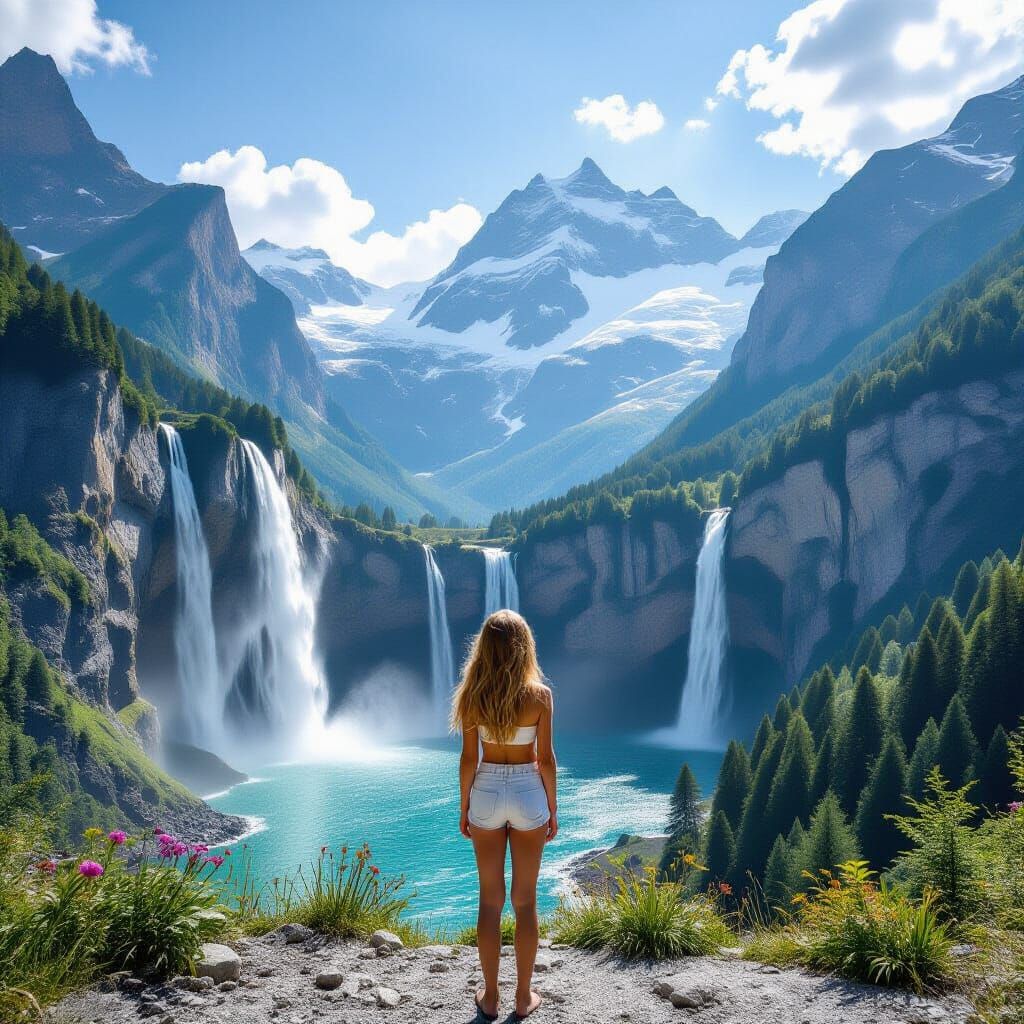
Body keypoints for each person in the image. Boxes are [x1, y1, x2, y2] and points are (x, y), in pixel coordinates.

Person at [451, 609, 557, 1022]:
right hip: (529, 789)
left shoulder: (472, 694)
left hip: (487, 789)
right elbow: (545, 759)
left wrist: (465, 805)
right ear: (524, 647)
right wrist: (552, 807)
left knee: (490, 900)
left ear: (483, 648)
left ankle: (491, 997)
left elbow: (468, 759)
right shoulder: (540, 696)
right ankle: (523, 996)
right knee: (525, 901)